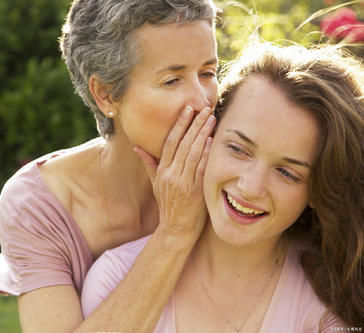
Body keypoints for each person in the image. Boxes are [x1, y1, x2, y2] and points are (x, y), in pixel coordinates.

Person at [81, 42, 364, 331]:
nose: (251, 187)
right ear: (206, 135)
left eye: (287, 173)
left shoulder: (330, 309)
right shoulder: (115, 279)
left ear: (318, 190)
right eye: (238, 149)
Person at [0, 0, 221, 331]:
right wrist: (175, 232)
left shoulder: (235, 170)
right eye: (172, 80)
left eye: (208, 73)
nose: (203, 101)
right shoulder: (36, 205)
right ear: (106, 95)